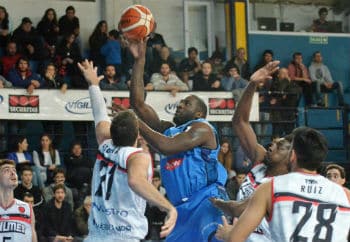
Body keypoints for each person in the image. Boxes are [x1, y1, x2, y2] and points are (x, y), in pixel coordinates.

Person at [124, 39, 228, 242]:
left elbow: (166, 147)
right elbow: (138, 103)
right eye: (180, 102)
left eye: (186, 103)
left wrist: (135, 123)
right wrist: (140, 61)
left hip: (207, 200)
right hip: (180, 209)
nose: (180, 105)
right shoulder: (170, 130)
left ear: (198, 112)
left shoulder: (203, 128)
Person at [77, 59, 177, 242]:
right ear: (138, 135)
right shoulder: (137, 157)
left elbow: (99, 113)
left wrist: (93, 84)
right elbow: (135, 180)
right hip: (124, 237)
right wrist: (169, 207)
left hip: (96, 236)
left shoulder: (104, 143)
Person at [215, 127, 350, 242]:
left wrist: (228, 233)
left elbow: (235, 238)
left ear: (292, 156)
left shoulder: (271, 187)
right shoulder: (345, 195)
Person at [211, 61, 293, 242]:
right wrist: (252, 84)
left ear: (292, 158)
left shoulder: (285, 184)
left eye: (280, 146)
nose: (272, 145)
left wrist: (216, 203)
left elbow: (239, 208)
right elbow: (240, 122)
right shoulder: (261, 160)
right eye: (274, 142)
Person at [0, 159, 38, 242]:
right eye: (7, 170)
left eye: (14, 170)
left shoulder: (27, 208)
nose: (13, 173)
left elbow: (33, 237)